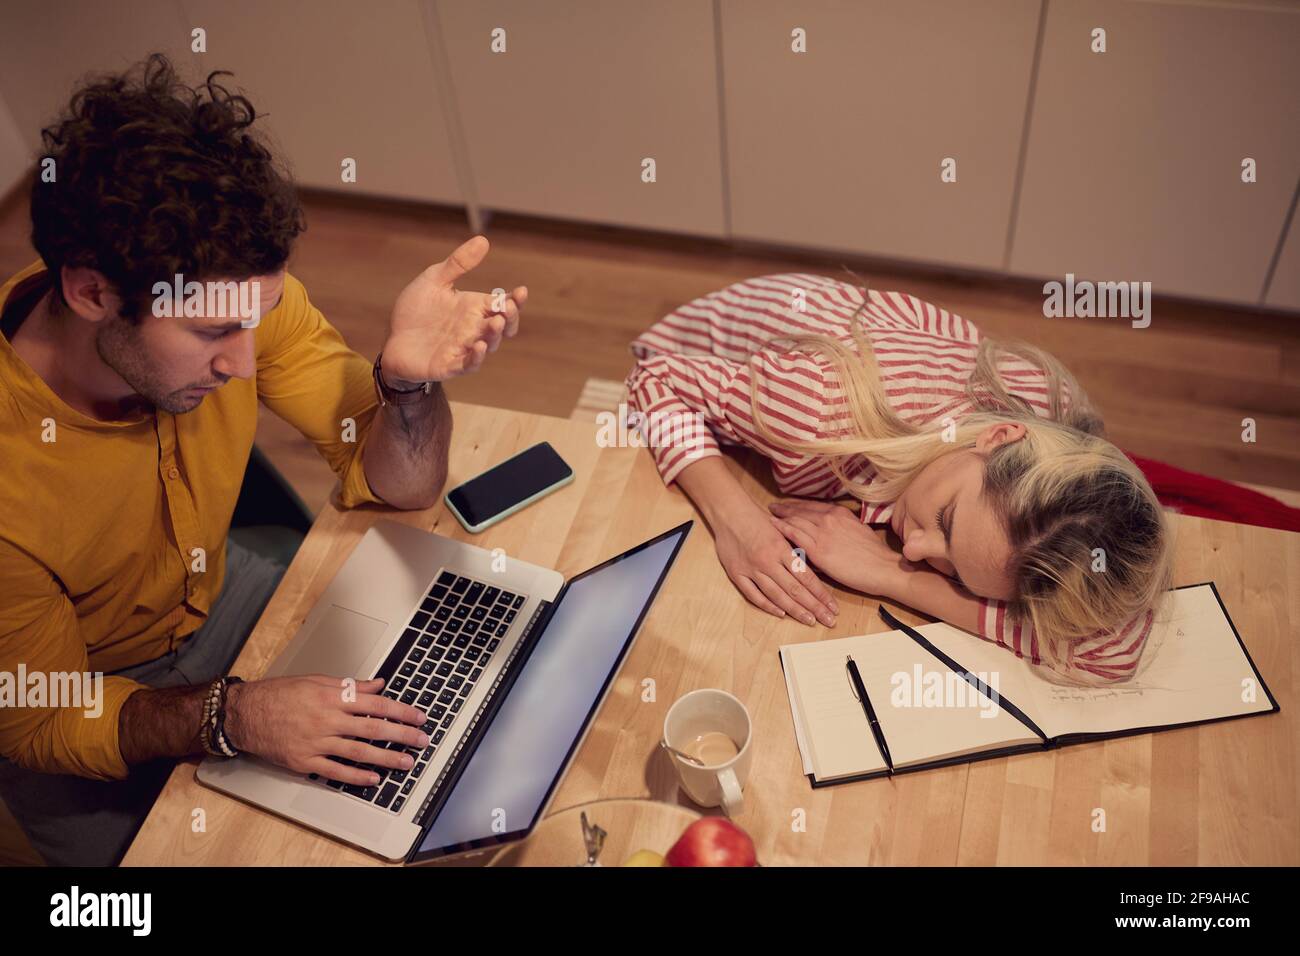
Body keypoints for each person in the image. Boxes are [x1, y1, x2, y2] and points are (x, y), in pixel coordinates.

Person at [0, 54, 525, 865]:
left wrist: (406, 386)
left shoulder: (230, 294)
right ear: (92, 294)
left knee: (456, 739)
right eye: (214, 334)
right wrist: (230, 718)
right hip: (85, 700)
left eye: (260, 318)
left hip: (218, 587)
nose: (245, 364)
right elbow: (41, 717)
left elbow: (401, 485)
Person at [624, 271, 1174, 686]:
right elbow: (654, 379)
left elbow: (1111, 651)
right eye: (944, 522)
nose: (914, 548)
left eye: (954, 571)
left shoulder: (1049, 425)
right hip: (704, 355)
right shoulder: (814, 406)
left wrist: (897, 578)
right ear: (999, 438)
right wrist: (737, 522)